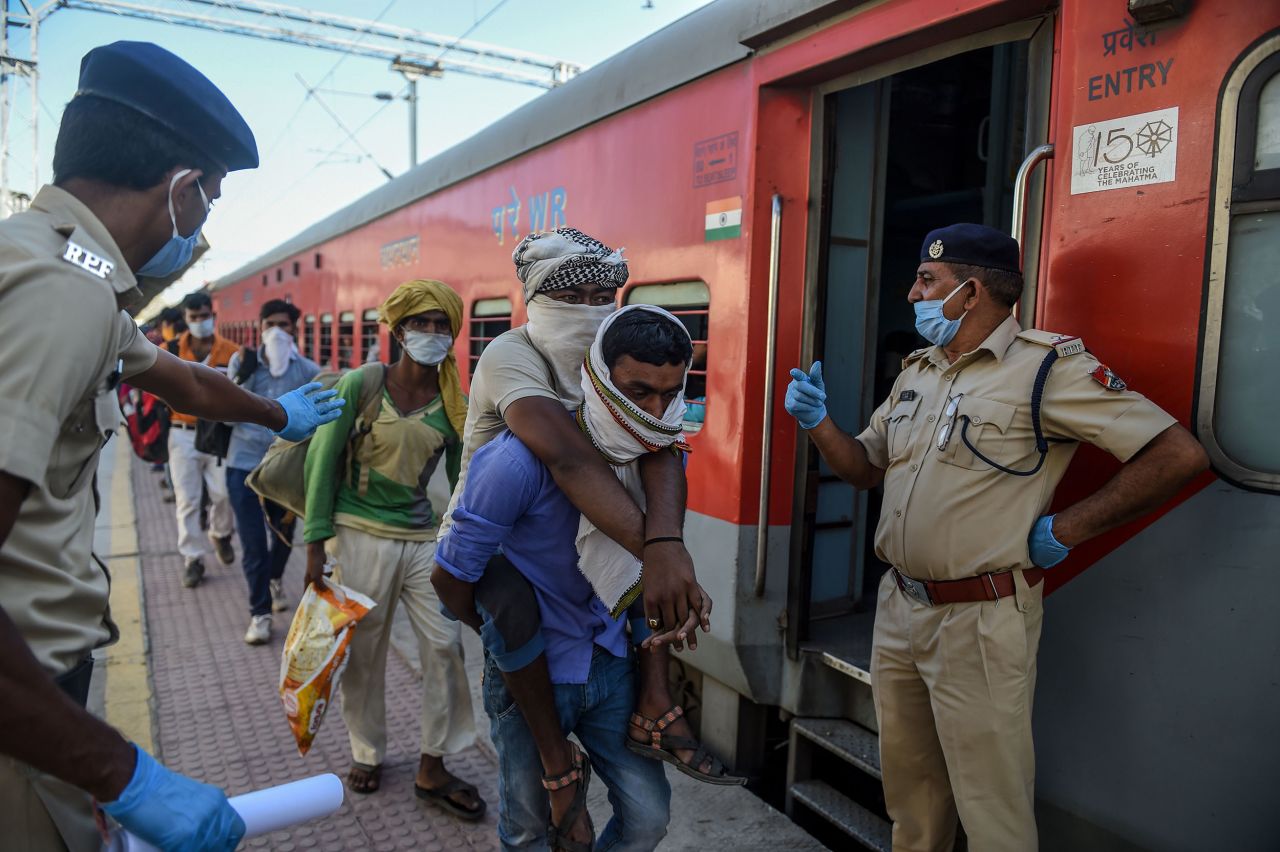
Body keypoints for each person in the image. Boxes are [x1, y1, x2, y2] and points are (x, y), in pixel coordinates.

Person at [0, 41, 344, 852]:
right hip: (23, 699)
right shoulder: (64, 296)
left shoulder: (48, 260)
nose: (202, 228)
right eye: (211, 200)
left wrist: (274, 409)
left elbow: (184, 382)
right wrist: (122, 773)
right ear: (183, 189)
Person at [782, 223, 1209, 851]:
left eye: (927, 281)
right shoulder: (917, 372)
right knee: (912, 800)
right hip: (900, 609)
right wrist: (819, 425)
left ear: (971, 291)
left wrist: (1065, 529)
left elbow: (1177, 455)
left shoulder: (1047, 370)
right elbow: (865, 468)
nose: (913, 294)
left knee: (992, 810)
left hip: (979, 618)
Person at [432, 228, 727, 839]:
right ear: (541, 304)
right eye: (577, 298)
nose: (593, 312)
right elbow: (564, 456)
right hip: (492, 544)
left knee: (647, 817)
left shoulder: (620, 387)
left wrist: (666, 550)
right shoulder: (514, 359)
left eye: (604, 297)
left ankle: (654, 698)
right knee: (528, 820)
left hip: (601, 636)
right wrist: (660, 552)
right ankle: (563, 767)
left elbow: (661, 440)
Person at [302, 279, 484, 818]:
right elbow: (322, 462)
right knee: (366, 652)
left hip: (423, 539)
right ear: (398, 330)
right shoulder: (362, 384)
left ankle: (434, 760)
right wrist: (315, 544)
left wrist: (470, 550)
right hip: (358, 533)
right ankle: (367, 750)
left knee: (445, 647)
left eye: (440, 325)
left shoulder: (454, 402)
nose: (430, 334)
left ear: (452, 335)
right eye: (420, 323)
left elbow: (462, 483)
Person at [224, 299, 320, 644]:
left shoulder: (309, 371)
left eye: (284, 324)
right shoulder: (243, 363)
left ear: (295, 329)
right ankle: (259, 612)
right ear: (260, 327)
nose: (276, 331)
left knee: (282, 539)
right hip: (243, 466)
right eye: (270, 324)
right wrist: (243, 384)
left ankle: (275, 579)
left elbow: (320, 421)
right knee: (253, 545)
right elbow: (223, 413)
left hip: (286, 472)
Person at [168, 290, 239, 587]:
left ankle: (221, 533)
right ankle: (192, 558)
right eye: (194, 317)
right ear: (186, 319)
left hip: (218, 433)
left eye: (204, 316)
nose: (200, 322)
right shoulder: (171, 351)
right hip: (181, 433)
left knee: (223, 493)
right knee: (187, 498)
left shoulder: (232, 352)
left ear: (214, 316)